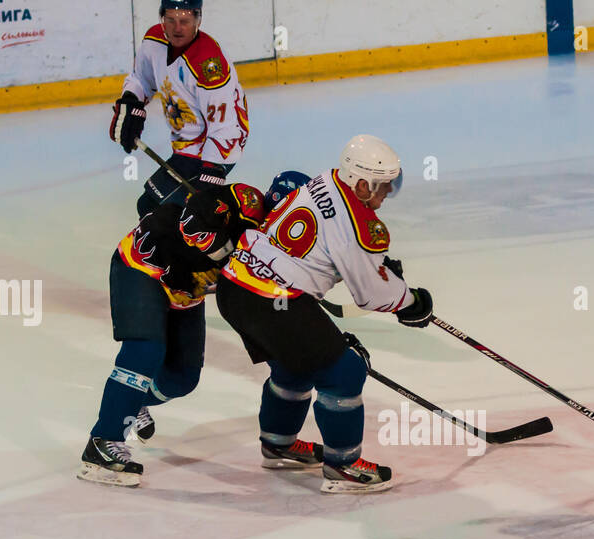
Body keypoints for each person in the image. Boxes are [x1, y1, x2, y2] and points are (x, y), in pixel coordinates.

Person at [214, 136, 434, 494]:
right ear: (361, 183)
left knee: (295, 363)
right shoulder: (360, 223)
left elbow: (332, 252)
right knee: (344, 371)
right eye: (383, 186)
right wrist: (411, 302)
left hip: (237, 288)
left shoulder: (324, 180)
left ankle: (278, 443)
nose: (388, 192)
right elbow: (371, 295)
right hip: (273, 300)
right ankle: (343, 466)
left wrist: (376, 266)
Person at [78, 182, 267, 487]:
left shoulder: (263, 226)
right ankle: (102, 442)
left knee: (182, 378)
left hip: (184, 291)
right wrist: (186, 274)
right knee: (146, 350)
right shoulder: (198, 213)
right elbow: (160, 223)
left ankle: (132, 401)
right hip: (142, 269)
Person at [109, 1, 250, 217]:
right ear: (162, 19)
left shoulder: (208, 64)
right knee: (155, 210)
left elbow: (226, 125)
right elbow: (140, 79)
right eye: (170, 20)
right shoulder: (153, 40)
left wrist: (212, 172)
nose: (177, 28)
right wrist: (131, 100)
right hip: (185, 144)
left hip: (213, 146)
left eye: (184, 21)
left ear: (198, 20)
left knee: (159, 211)